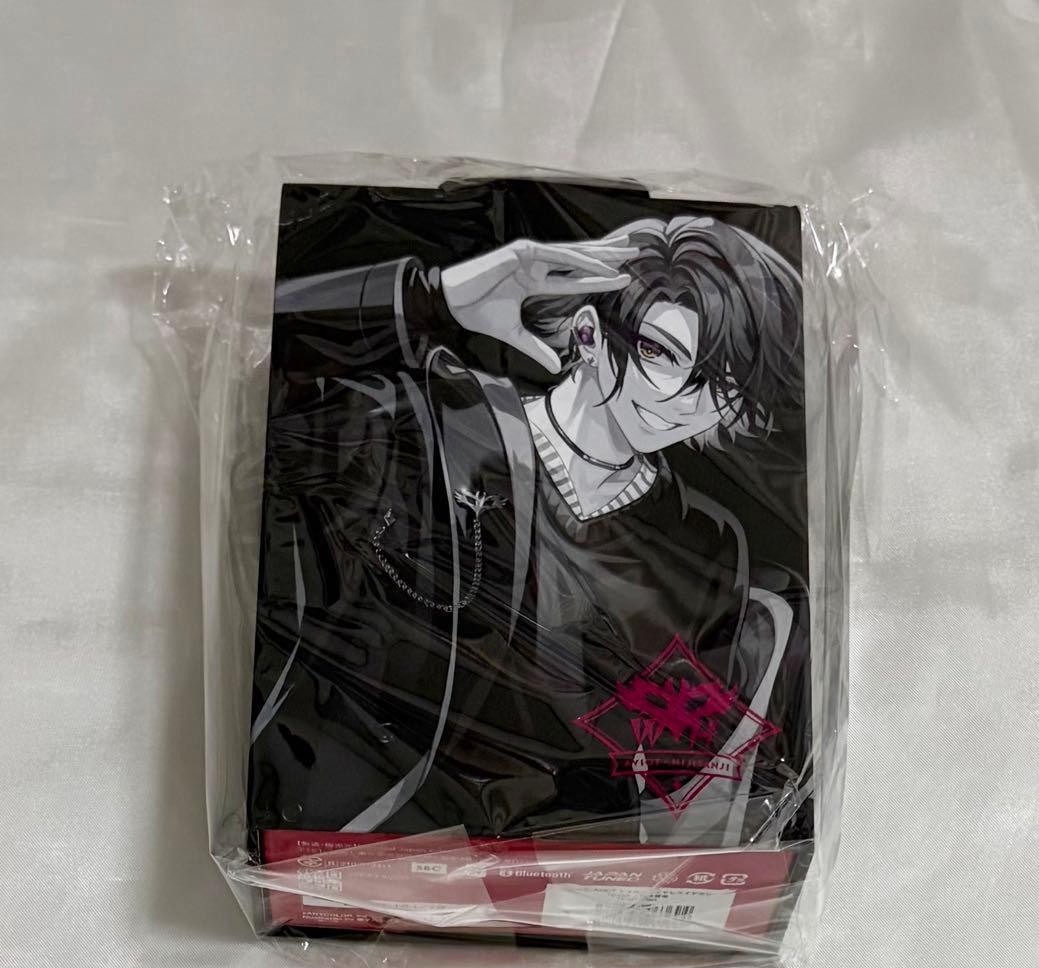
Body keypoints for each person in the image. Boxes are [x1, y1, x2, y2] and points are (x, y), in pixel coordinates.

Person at [251, 214, 808, 849]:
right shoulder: (440, 421)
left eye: (720, 385)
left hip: (552, 861)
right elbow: (254, 366)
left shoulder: (703, 539)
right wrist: (432, 298)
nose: (685, 400)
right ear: (589, 333)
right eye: (660, 354)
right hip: (351, 827)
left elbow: (667, 754)